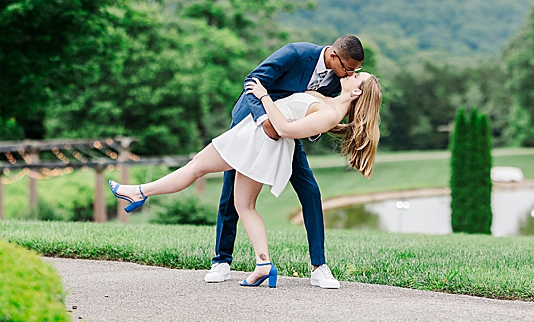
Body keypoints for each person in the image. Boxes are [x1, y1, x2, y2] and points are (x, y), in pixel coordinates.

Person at [109, 71, 382, 288]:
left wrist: (263, 97)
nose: (353, 73)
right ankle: (263, 264)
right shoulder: (329, 101)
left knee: (195, 168)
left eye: (358, 75)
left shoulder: (330, 113)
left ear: (357, 91)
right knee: (244, 205)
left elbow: (285, 128)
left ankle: (139, 192)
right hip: (260, 141)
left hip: (257, 140)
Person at [210, 36, 365, 289]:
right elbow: (253, 81)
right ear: (333, 56)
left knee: (311, 191)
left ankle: (319, 267)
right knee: (232, 193)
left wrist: (309, 129)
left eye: (354, 71)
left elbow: (315, 115)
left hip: (286, 133)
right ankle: (222, 261)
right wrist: (264, 122)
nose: (349, 74)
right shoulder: (296, 53)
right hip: (253, 122)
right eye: (348, 68)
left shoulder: (337, 82)